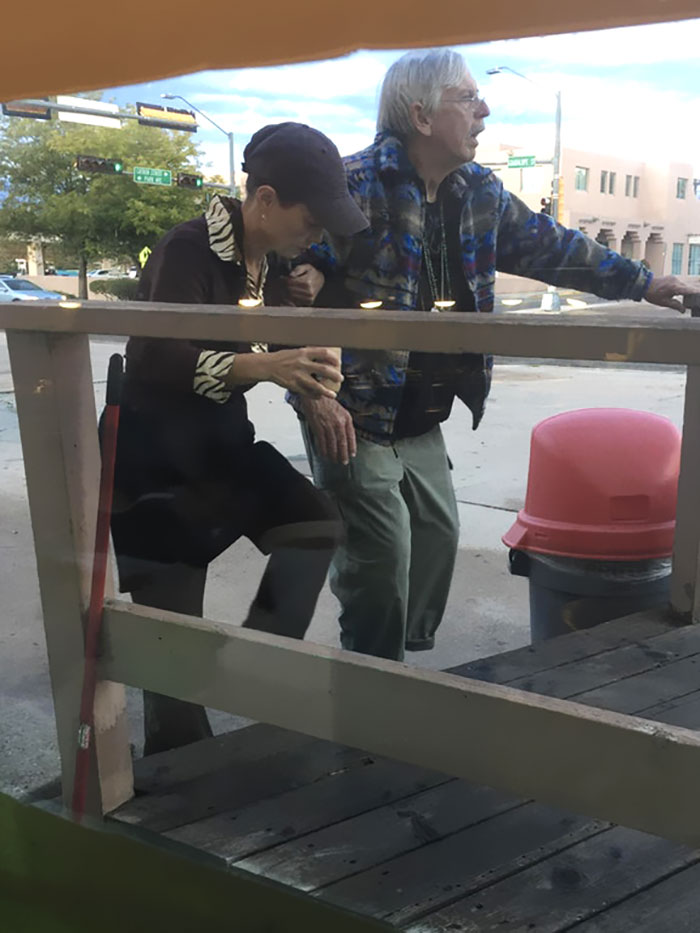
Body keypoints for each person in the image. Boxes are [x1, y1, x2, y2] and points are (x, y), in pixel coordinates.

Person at [294, 48, 700, 662]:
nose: (484, 110)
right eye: (467, 98)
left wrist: (649, 284)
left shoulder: (478, 190)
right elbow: (281, 287)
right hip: (356, 409)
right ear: (421, 115)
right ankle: (372, 686)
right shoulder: (353, 186)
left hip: (424, 410)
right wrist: (315, 397)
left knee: (435, 541)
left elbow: (557, 250)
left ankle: (388, 664)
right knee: (381, 560)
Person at [106, 122, 367, 755]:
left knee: (313, 524)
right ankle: (174, 799)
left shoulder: (274, 270)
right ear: (267, 200)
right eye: (312, 218)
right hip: (153, 468)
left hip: (223, 451)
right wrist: (262, 366)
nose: (319, 233)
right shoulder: (188, 248)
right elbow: (155, 356)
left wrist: (319, 394)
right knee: (174, 664)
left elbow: (290, 349)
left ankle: (252, 671)